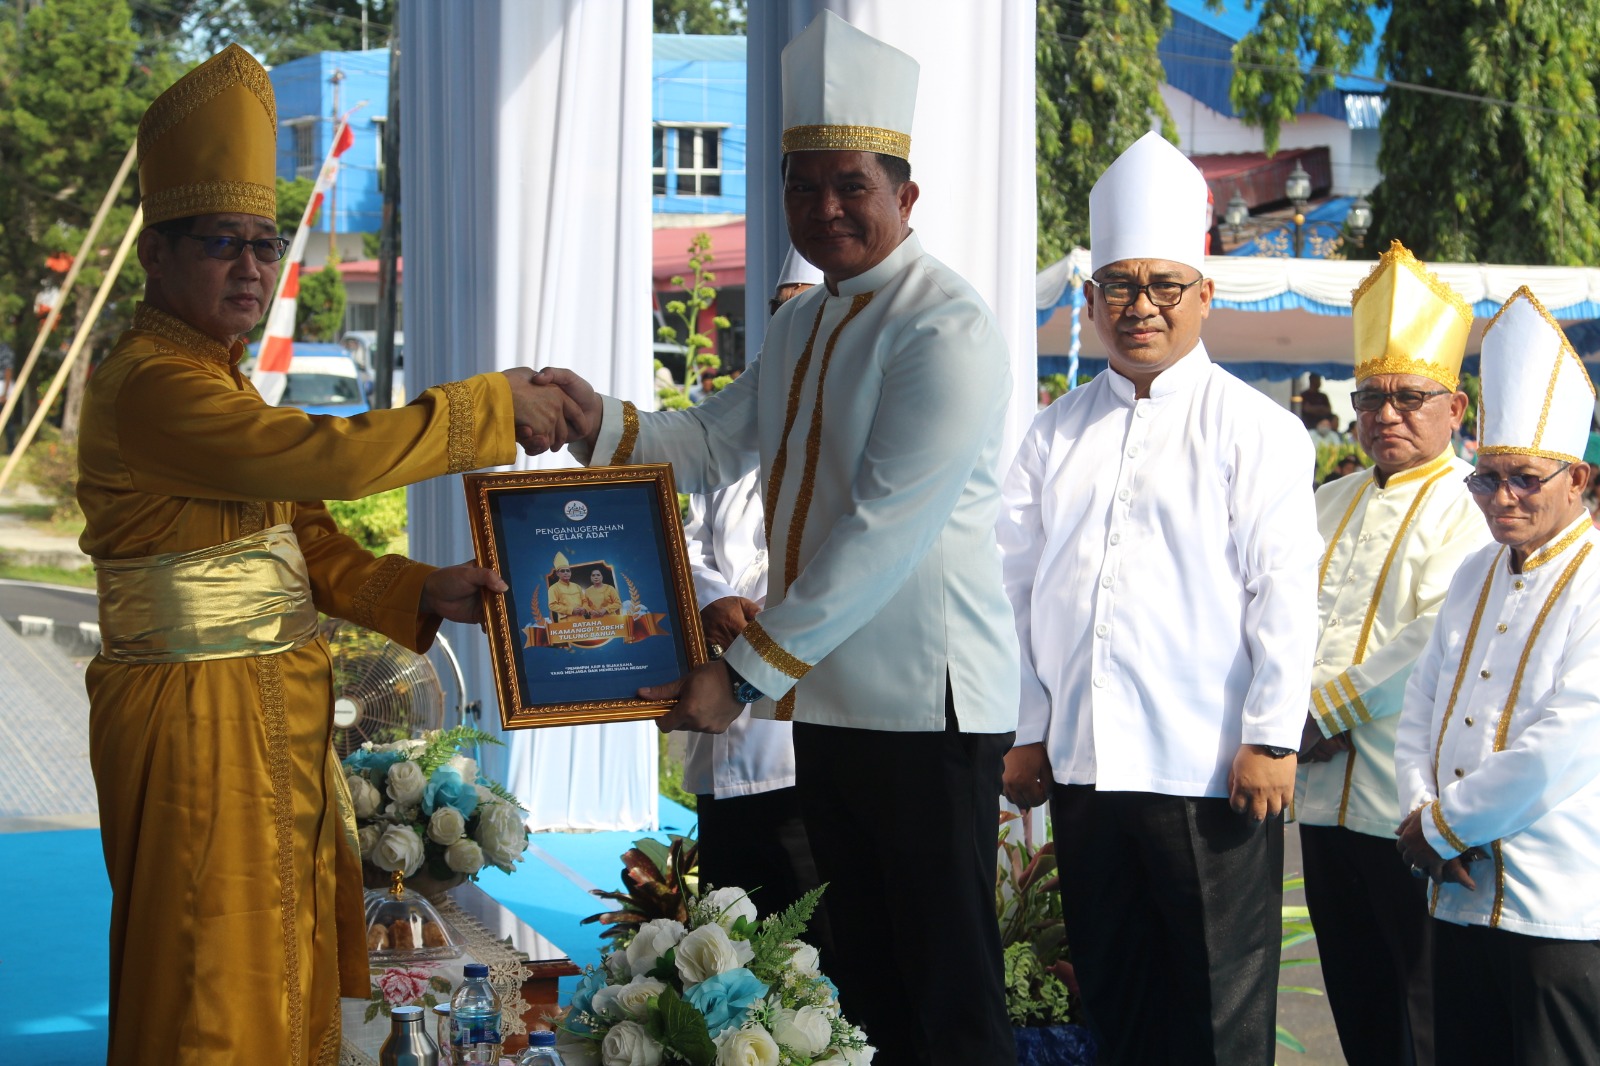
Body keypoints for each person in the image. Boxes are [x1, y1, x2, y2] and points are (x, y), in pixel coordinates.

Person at [540, 14, 1020, 1063]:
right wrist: (596, 426)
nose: (826, 207)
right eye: (803, 185)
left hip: (928, 707)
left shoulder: (945, 325)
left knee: (949, 984)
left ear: (906, 194)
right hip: (836, 701)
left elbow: (879, 533)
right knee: (864, 979)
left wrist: (739, 674)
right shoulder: (806, 320)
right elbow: (711, 441)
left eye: (850, 183)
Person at [78, 46, 572, 1064]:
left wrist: (420, 586)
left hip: (266, 710)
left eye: (263, 244)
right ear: (155, 258)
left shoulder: (213, 380)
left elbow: (300, 529)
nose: (252, 267)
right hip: (193, 719)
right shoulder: (154, 386)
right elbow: (321, 458)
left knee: (295, 945)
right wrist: (484, 409)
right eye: (222, 243)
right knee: (209, 973)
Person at [997, 131, 1319, 1065]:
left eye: (1162, 286)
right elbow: (1010, 583)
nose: (1139, 307)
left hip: (1210, 768)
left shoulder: (1255, 430)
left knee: (1218, 1012)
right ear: (1091, 300)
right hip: (1086, 765)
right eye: (1119, 287)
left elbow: (1283, 589)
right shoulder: (1054, 431)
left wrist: (1270, 736)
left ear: (1204, 296)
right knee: (1114, 995)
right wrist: (1024, 728)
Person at [1294, 241, 1490, 1066]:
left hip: (1402, 802)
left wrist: (1321, 709)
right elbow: (1269, 614)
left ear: (1456, 405)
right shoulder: (1323, 500)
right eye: (1370, 396)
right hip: (1314, 793)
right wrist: (1286, 710)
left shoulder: (1473, 504)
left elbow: (1434, 639)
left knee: (1425, 1015)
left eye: (1409, 397)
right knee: (1357, 1006)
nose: (1385, 414)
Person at [1395, 287, 1600, 1065]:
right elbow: (1423, 705)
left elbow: (1565, 743)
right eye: (1486, 478)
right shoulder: (1475, 572)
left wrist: (1444, 825)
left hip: (1558, 908)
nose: (1501, 497)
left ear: (1577, 480)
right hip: (1456, 893)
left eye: (1524, 479)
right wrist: (1420, 808)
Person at [682, 249, 828, 935]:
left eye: (814, 306)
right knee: (725, 946)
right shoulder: (737, 419)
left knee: (815, 956)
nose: (796, 324)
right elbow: (677, 536)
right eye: (783, 310)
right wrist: (711, 594)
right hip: (724, 733)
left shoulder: (870, 421)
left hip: (817, 746)